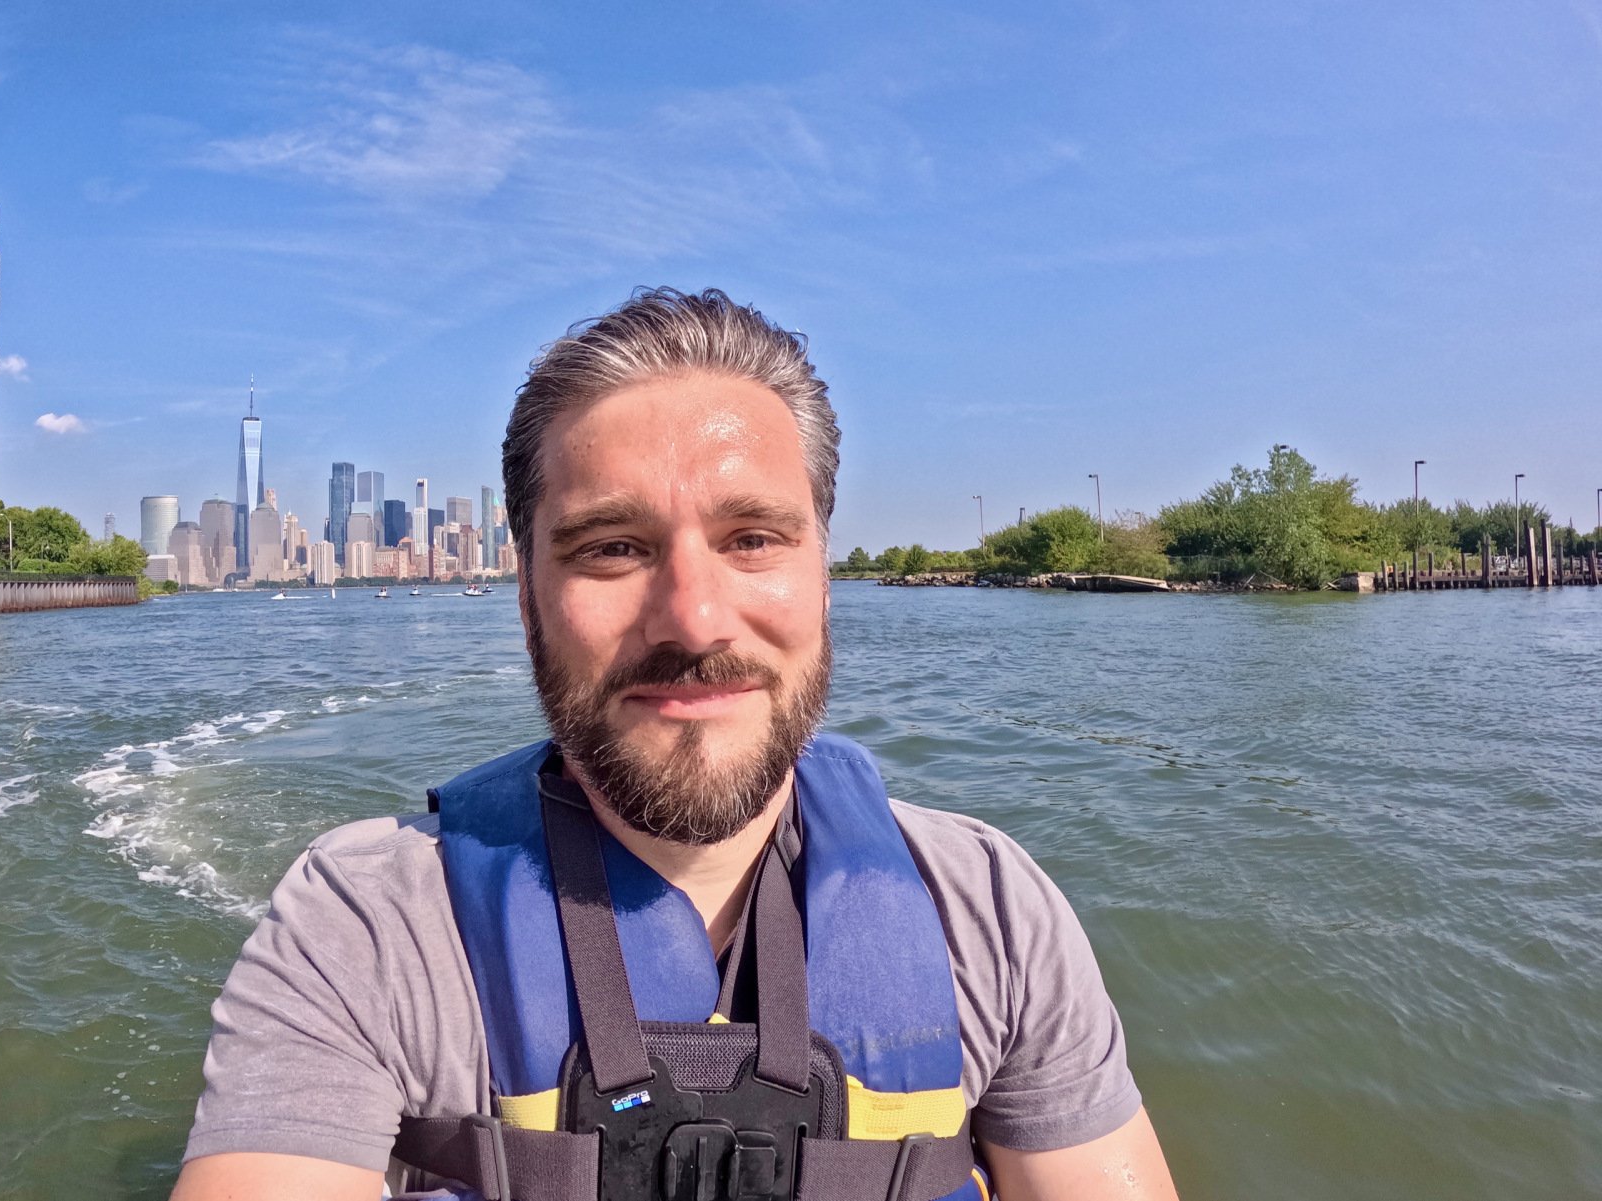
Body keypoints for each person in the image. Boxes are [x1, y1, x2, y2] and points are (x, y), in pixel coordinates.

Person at [172, 288, 1178, 1201]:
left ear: (823, 580)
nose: (693, 620)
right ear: (526, 600)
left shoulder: (992, 912)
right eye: (612, 547)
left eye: (751, 539)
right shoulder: (364, 927)